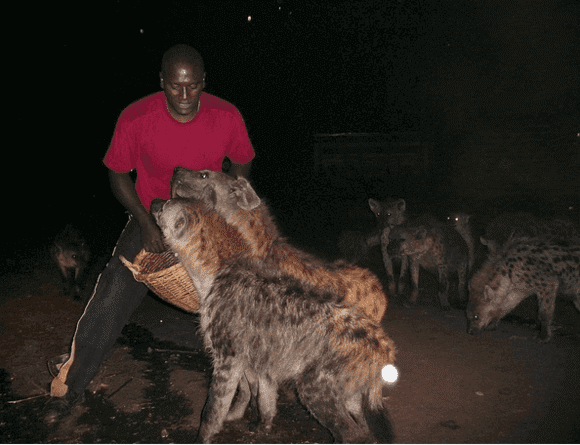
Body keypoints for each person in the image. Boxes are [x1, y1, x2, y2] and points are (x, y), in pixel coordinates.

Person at [44, 44, 255, 424]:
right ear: (162, 83)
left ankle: (255, 386)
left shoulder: (227, 116)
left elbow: (242, 162)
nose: (186, 96)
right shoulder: (136, 117)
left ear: (204, 82)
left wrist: (227, 215)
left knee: (243, 298)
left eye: (193, 87)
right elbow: (116, 172)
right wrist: (142, 222)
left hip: (204, 223)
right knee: (112, 292)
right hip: (151, 216)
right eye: (176, 87)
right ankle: (68, 387)